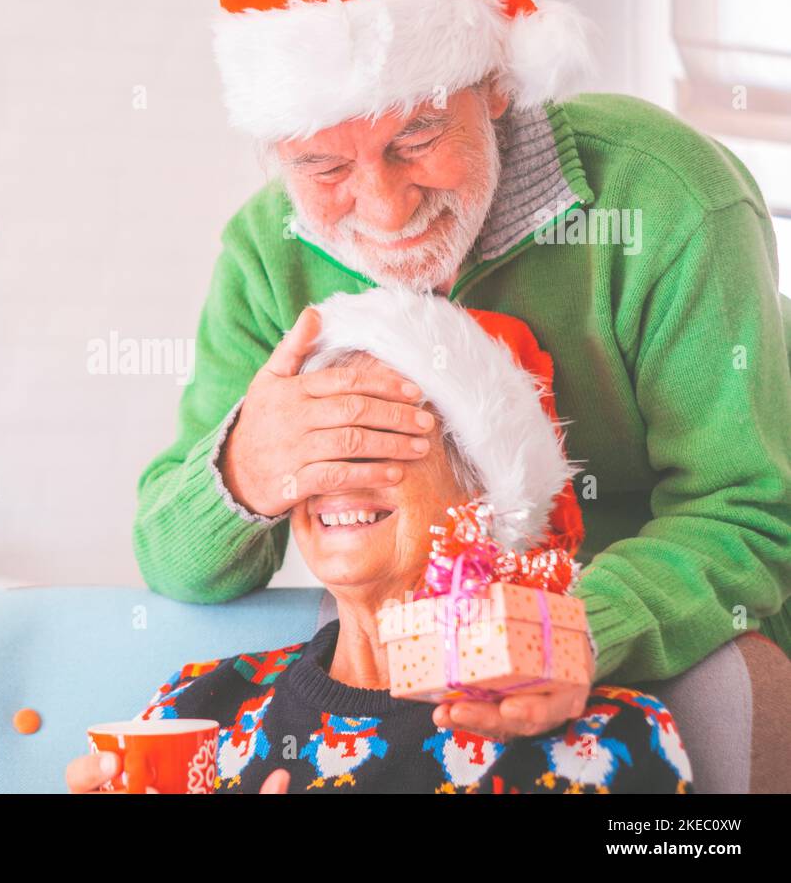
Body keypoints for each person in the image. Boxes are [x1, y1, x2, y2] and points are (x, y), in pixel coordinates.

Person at [134, 0, 791, 744]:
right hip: (400, 694)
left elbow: (749, 515)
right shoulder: (266, 252)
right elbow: (170, 556)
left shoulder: (668, 199)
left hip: (671, 677)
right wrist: (242, 468)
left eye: (416, 138)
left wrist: (562, 633)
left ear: (495, 86)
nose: (384, 208)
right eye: (323, 168)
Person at [77, 289, 693, 793]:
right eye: (312, 444)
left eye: (376, 435)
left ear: (481, 490)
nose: (336, 476)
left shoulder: (605, 741)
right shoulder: (191, 708)